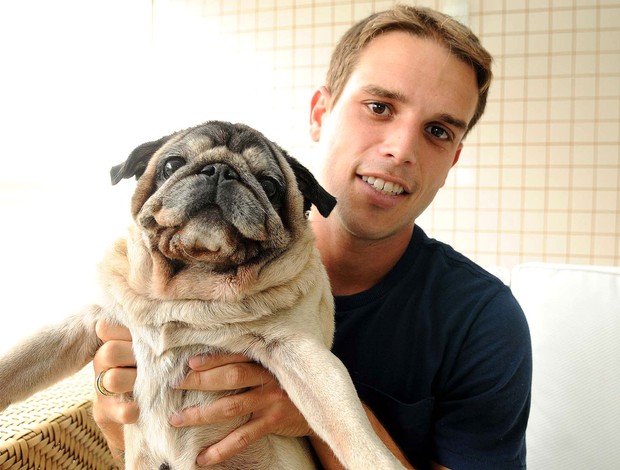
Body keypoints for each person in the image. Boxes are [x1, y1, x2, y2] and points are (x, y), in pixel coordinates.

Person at [92, 5, 532, 469]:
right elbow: (136, 448)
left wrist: (313, 414)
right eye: (379, 107)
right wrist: (117, 410)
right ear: (320, 113)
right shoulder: (174, 267)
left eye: (437, 131)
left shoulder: (484, 322)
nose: (401, 150)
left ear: (453, 159)